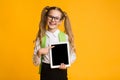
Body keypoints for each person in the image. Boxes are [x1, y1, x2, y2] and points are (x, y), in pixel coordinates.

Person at [33, 6, 76, 80]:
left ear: (60, 21)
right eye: (50, 17)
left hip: (60, 72)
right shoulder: (41, 37)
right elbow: (35, 63)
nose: (53, 20)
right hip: (45, 71)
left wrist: (66, 64)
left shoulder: (65, 37)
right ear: (46, 17)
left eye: (56, 18)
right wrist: (39, 53)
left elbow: (73, 55)